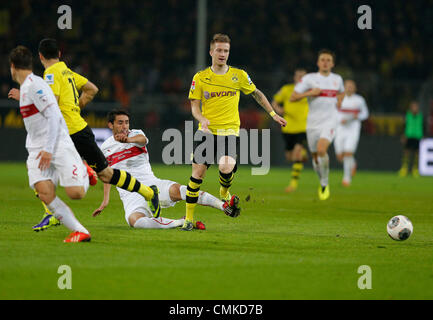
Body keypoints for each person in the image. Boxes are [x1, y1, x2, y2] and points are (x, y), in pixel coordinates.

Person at [8, 39, 161, 231]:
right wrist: (75, 108)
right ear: (60, 55)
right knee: (49, 171)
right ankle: (52, 213)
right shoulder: (67, 71)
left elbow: (51, 104)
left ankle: (142, 190)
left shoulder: (50, 73)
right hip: (78, 129)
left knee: (93, 173)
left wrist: (25, 96)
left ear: (40, 57)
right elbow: (92, 89)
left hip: (68, 132)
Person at [183, 33, 287, 231]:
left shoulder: (238, 75)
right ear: (211, 52)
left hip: (229, 130)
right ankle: (188, 219)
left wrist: (273, 114)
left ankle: (224, 192)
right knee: (197, 173)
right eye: (219, 50)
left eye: (226, 51)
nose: (223, 54)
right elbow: (194, 106)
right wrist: (202, 119)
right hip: (206, 132)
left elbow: (256, 94)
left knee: (225, 167)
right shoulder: (200, 77)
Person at [92, 110, 241, 229]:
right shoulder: (105, 147)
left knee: (183, 190)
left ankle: (224, 206)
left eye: (126, 122)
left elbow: (142, 140)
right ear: (110, 125)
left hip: (151, 184)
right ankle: (180, 222)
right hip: (130, 195)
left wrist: (128, 140)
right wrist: (105, 201)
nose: (125, 126)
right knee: (136, 222)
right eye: (120, 123)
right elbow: (107, 174)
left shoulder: (136, 134)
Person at [9, 45, 91, 242]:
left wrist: (48, 149)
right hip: (36, 150)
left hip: (57, 144)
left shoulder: (34, 85)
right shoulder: (27, 87)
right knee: (45, 193)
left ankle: (85, 171)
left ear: (12, 67)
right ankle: (80, 231)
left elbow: (54, 116)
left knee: (76, 193)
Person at [290, 49, 345, 200]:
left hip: (330, 121)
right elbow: (293, 97)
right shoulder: (309, 79)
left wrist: (340, 100)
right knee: (315, 159)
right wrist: (309, 93)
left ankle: (325, 182)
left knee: (322, 150)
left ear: (332, 64)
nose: (325, 62)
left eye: (328, 60)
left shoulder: (337, 79)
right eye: (322, 60)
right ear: (318, 62)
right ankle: (322, 181)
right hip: (313, 123)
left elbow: (341, 92)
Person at [272, 69, 309, 193]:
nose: (300, 78)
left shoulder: (309, 92)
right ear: (294, 77)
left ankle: (293, 183)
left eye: (303, 76)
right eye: (298, 75)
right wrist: (279, 110)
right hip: (288, 127)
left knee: (296, 154)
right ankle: (303, 154)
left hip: (303, 127)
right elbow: (274, 102)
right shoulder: (287, 89)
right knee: (290, 157)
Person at [334, 79, 369, 186]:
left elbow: (365, 114)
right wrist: (339, 120)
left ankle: (346, 179)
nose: (349, 88)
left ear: (355, 88)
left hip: (353, 129)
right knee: (340, 156)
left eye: (351, 86)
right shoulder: (338, 98)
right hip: (340, 129)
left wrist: (356, 116)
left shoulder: (359, 100)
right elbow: (333, 112)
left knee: (348, 153)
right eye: (347, 86)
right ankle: (353, 164)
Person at [398, 101, 423, 178]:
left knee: (417, 153)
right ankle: (404, 168)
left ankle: (415, 169)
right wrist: (403, 135)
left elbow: (423, 126)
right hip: (408, 136)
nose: (414, 108)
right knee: (406, 153)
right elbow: (404, 125)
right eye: (413, 107)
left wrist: (423, 136)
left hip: (417, 136)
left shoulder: (421, 116)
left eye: (416, 107)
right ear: (411, 108)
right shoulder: (407, 115)